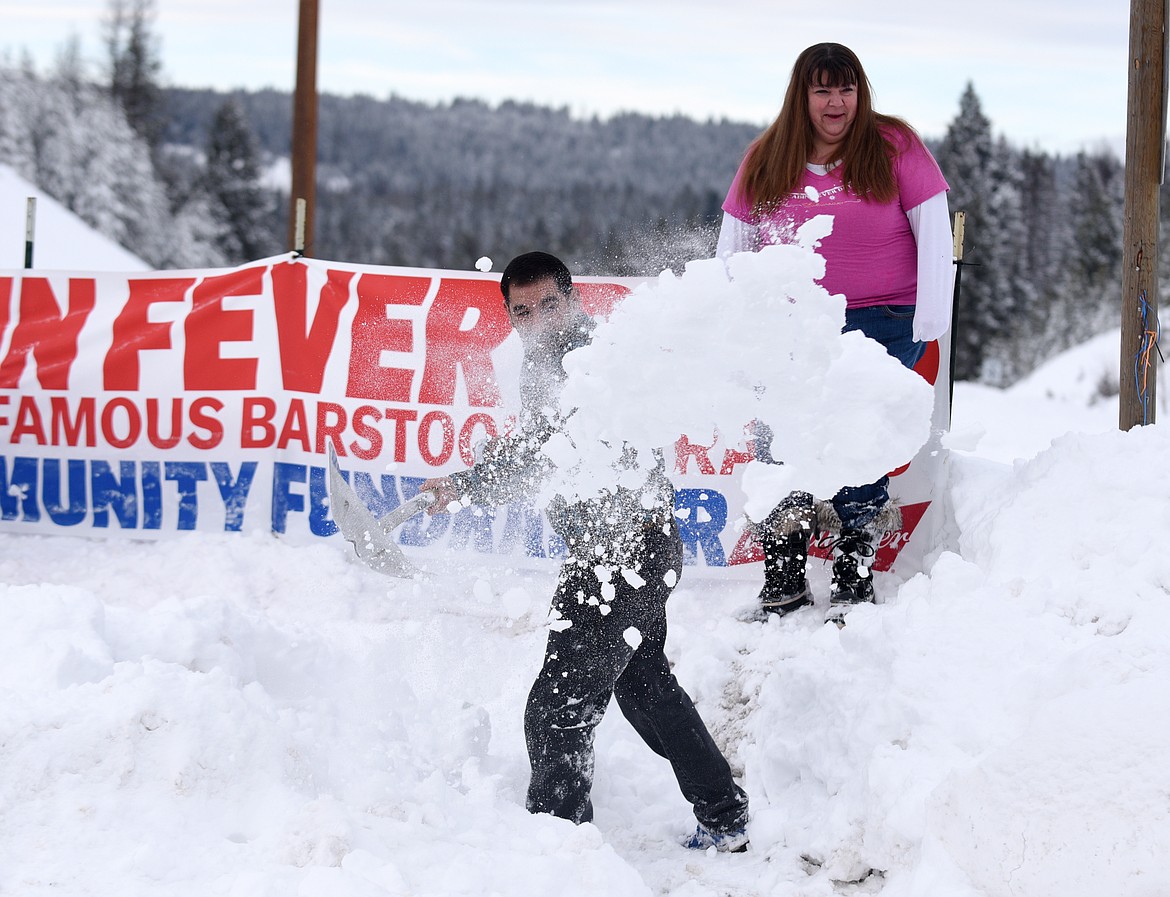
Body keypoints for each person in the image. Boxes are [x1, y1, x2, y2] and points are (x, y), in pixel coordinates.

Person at [421, 251, 750, 851]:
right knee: (646, 689)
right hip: (627, 551)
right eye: (523, 311)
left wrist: (466, 486)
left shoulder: (590, 361)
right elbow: (535, 447)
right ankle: (725, 815)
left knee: (557, 706)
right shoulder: (540, 361)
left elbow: (540, 452)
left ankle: (557, 854)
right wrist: (462, 485)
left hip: (623, 555)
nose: (538, 319)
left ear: (572, 300)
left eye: (549, 304)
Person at [716, 43, 952, 622]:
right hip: (789, 328)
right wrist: (736, 326)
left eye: (845, 88)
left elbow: (935, 231)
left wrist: (931, 318)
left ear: (859, 91)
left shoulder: (894, 145)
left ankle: (853, 571)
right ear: (803, 94)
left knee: (859, 445)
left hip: (882, 321)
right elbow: (734, 249)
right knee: (780, 447)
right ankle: (784, 573)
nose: (836, 102)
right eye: (822, 89)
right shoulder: (768, 156)